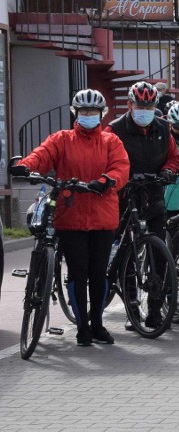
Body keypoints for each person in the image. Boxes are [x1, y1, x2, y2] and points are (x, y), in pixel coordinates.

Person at [11, 89, 130, 346]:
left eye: (93, 112)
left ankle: (97, 324)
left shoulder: (111, 142)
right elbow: (42, 155)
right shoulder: (62, 139)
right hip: (71, 214)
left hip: (102, 216)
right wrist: (26, 166)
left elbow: (121, 167)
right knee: (78, 272)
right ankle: (82, 328)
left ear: (101, 114)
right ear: (76, 113)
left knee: (99, 274)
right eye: (84, 111)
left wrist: (105, 181)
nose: (89, 115)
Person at [105, 81, 179, 330]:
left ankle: (156, 311)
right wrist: (121, 178)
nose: (145, 110)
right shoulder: (115, 130)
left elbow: (173, 156)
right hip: (125, 195)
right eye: (140, 106)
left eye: (150, 106)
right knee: (128, 251)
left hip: (154, 194)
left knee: (159, 254)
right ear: (129, 105)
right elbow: (106, 159)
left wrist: (169, 171)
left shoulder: (163, 128)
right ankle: (132, 308)